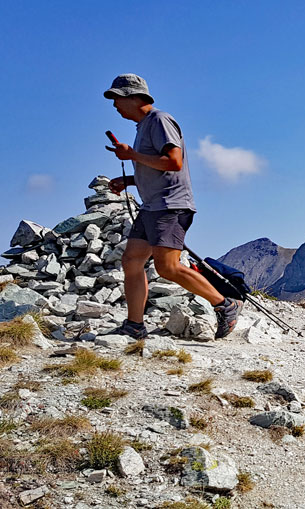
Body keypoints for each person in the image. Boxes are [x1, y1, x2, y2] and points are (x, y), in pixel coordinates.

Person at [102, 73, 240, 340]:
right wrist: (129, 180)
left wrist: (131, 155)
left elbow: (173, 162)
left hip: (170, 205)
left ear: (133, 97)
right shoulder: (143, 127)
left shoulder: (160, 120)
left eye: (117, 99)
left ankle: (225, 305)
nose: (115, 106)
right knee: (131, 260)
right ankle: (134, 325)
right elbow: (157, 168)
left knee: (167, 267)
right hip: (152, 206)